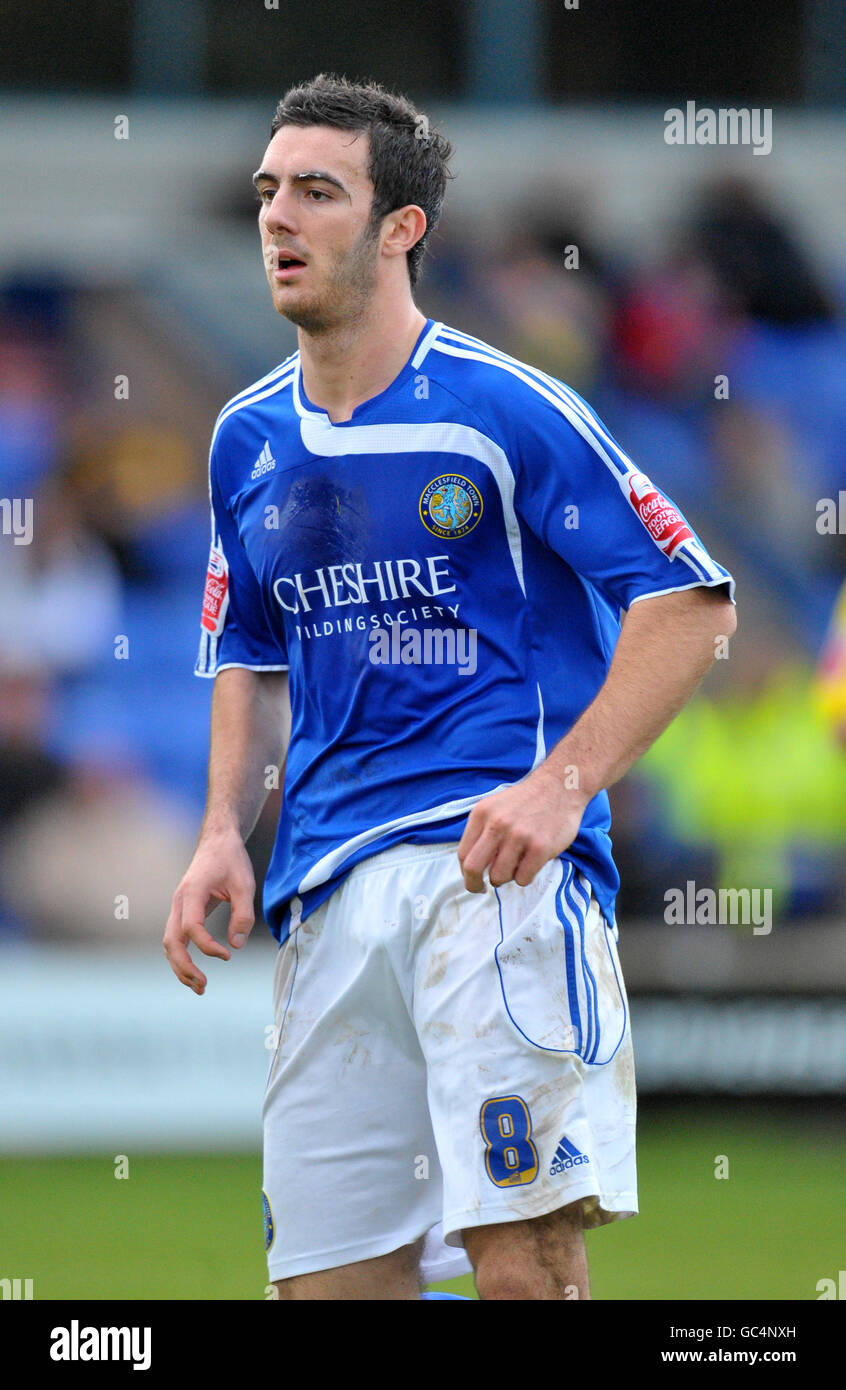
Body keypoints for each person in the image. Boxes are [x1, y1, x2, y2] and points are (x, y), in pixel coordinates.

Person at [163, 74, 737, 1301]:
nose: (280, 217)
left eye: (319, 191)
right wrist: (222, 828)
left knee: (523, 1269)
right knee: (331, 1288)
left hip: (494, 884)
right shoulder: (245, 438)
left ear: (400, 228)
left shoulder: (505, 408)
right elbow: (250, 652)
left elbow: (690, 600)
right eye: (269, 190)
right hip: (325, 898)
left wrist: (559, 788)